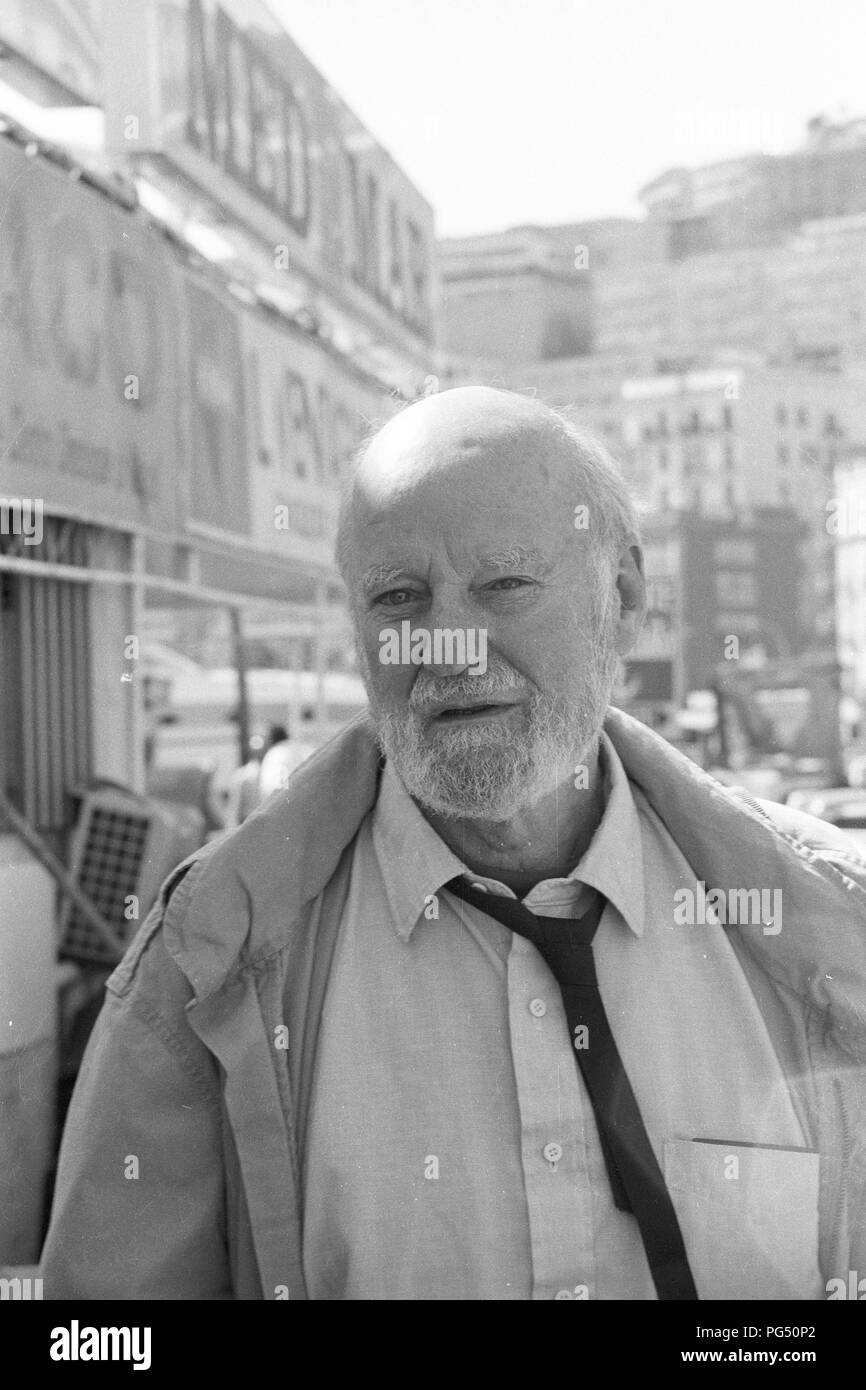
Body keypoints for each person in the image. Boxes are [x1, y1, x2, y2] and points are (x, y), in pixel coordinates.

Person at [40, 388, 866, 1301]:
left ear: (623, 598)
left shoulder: (831, 930)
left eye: (504, 585)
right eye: (398, 598)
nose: (452, 645)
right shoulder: (206, 971)